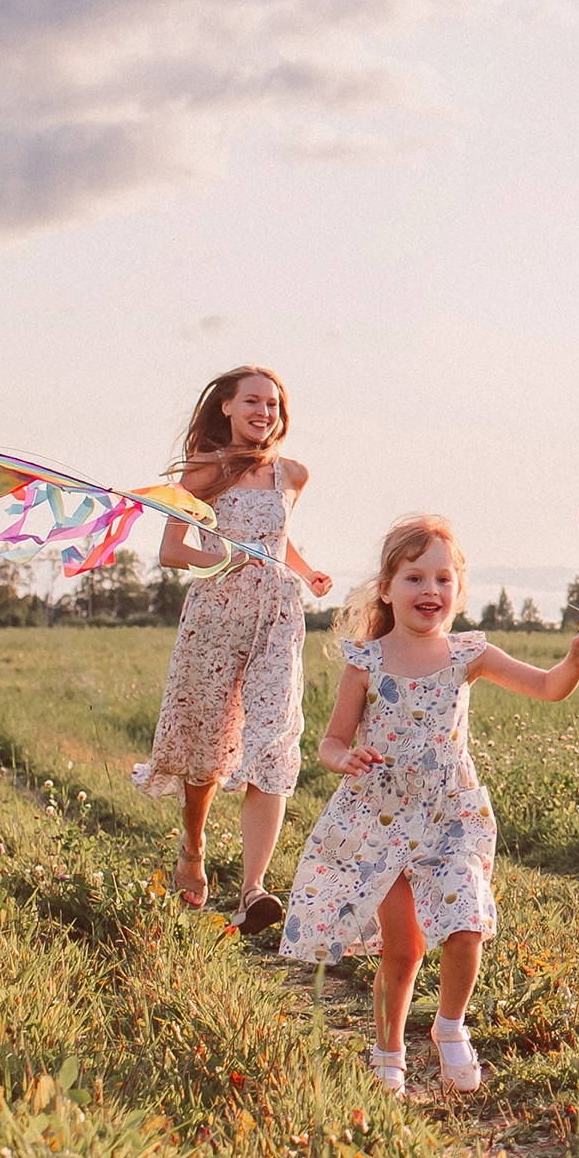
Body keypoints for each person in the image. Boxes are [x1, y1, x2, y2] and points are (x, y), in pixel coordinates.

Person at [280, 516, 579, 1095]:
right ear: (387, 588)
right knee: (403, 949)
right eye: (413, 578)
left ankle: (450, 1028)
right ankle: (387, 1053)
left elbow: (549, 686)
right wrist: (343, 759)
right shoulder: (367, 663)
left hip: (449, 814)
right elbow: (332, 741)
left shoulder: (469, 654)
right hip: (381, 819)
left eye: (442, 578)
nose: (429, 590)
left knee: (466, 925)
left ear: (457, 590)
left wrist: (576, 660)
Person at [134, 366, 333, 930]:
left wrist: (307, 570)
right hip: (216, 617)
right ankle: (193, 845)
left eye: (273, 405)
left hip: (277, 617)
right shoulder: (203, 472)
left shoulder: (292, 474)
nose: (264, 413)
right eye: (253, 402)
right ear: (226, 406)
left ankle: (253, 891)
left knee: (272, 740)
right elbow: (173, 551)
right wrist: (221, 558)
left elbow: (281, 534)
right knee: (206, 744)